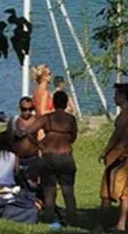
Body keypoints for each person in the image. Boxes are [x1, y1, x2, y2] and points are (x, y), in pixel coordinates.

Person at [25, 89, 78, 223]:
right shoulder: (71, 119)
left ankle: (48, 220)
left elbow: (29, 131)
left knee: (49, 192)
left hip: (49, 156)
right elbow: (73, 137)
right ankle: (72, 221)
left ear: (53, 103)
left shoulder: (47, 118)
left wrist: (39, 144)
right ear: (66, 104)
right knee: (68, 192)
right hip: (66, 156)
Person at [99, 82, 128, 232]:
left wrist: (105, 151)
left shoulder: (125, 115)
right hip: (123, 154)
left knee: (107, 193)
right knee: (124, 193)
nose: (114, 97)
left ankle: (102, 224)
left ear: (123, 96)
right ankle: (121, 224)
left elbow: (116, 136)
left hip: (117, 155)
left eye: (116, 94)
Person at [9, 96, 42, 188]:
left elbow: (43, 118)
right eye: (24, 109)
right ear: (19, 108)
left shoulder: (36, 120)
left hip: (33, 158)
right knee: (18, 186)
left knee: (33, 186)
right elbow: (9, 140)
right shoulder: (14, 121)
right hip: (18, 159)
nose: (27, 112)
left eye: (30, 109)